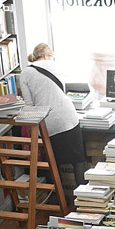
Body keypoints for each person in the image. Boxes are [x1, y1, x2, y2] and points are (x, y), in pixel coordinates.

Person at [19, 43, 87, 207]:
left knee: (53, 164)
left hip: (49, 123)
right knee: (78, 160)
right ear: (49, 55)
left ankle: (61, 201)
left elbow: (30, 106)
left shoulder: (26, 72)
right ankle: (84, 201)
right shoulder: (56, 66)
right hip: (69, 117)